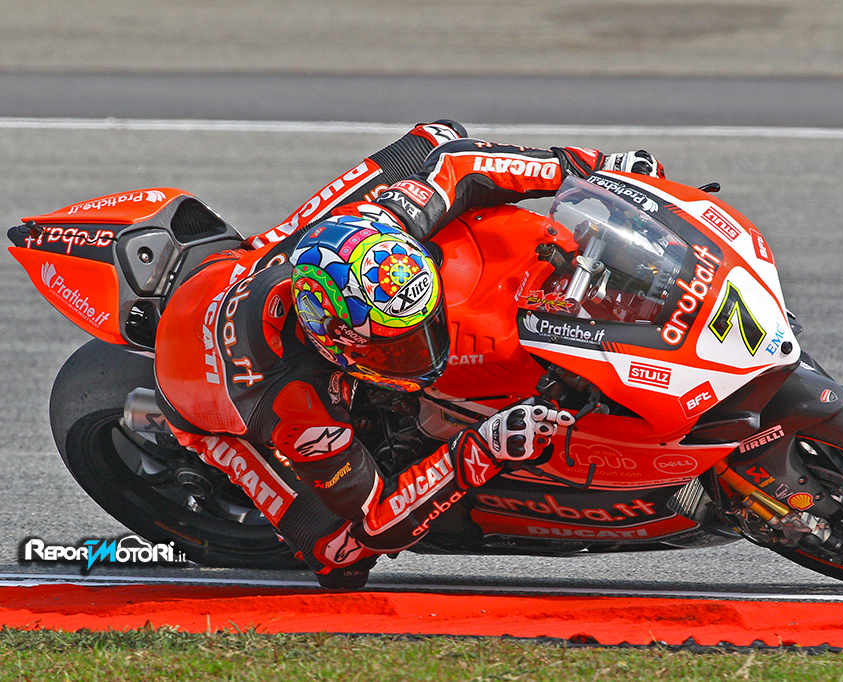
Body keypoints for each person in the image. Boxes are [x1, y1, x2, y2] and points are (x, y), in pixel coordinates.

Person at [152, 120, 665, 588]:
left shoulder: (378, 228)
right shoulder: (297, 406)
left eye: (421, 328)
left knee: (438, 138)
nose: (422, 353)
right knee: (341, 557)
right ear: (336, 342)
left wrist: (593, 168)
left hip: (247, 263)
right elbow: (375, 522)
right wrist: (482, 450)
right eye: (397, 348)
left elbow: (459, 165)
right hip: (205, 393)